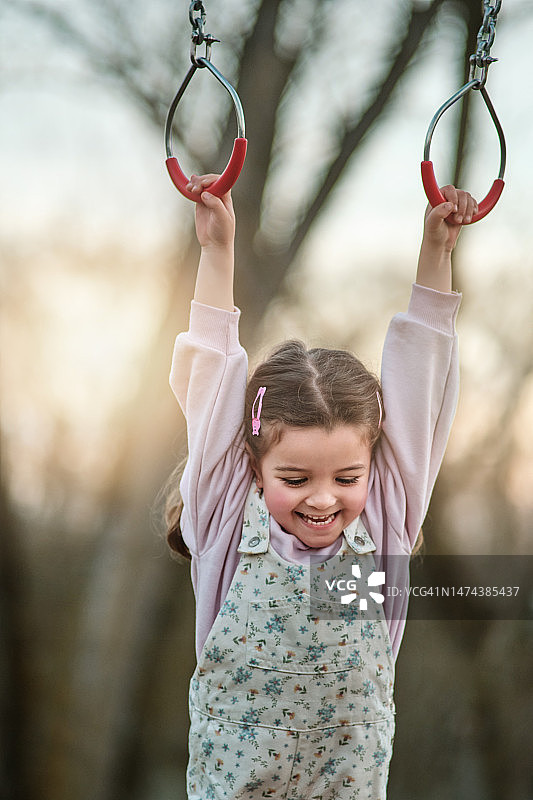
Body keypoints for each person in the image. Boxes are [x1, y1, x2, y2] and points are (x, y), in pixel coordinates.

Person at [166, 174, 477, 800]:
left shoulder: (384, 524)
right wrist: (217, 251)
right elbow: (211, 374)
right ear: (252, 468)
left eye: (346, 477)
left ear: (374, 467)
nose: (323, 497)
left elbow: (421, 385)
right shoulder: (225, 521)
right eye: (294, 477)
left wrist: (437, 253)